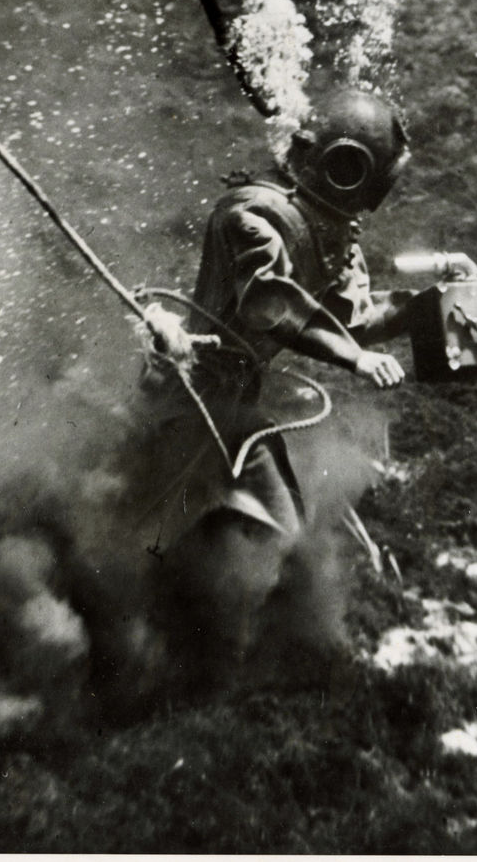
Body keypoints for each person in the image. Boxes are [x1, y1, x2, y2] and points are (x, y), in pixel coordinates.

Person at [131, 85, 421, 684]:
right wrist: (356, 361)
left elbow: (351, 318)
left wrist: (427, 306)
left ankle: (194, 640)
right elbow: (269, 302)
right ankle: (155, 640)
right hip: (190, 395)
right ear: (344, 168)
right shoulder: (253, 214)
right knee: (150, 520)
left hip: (234, 401)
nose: (367, 206)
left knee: (246, 517)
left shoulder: (329, 228)